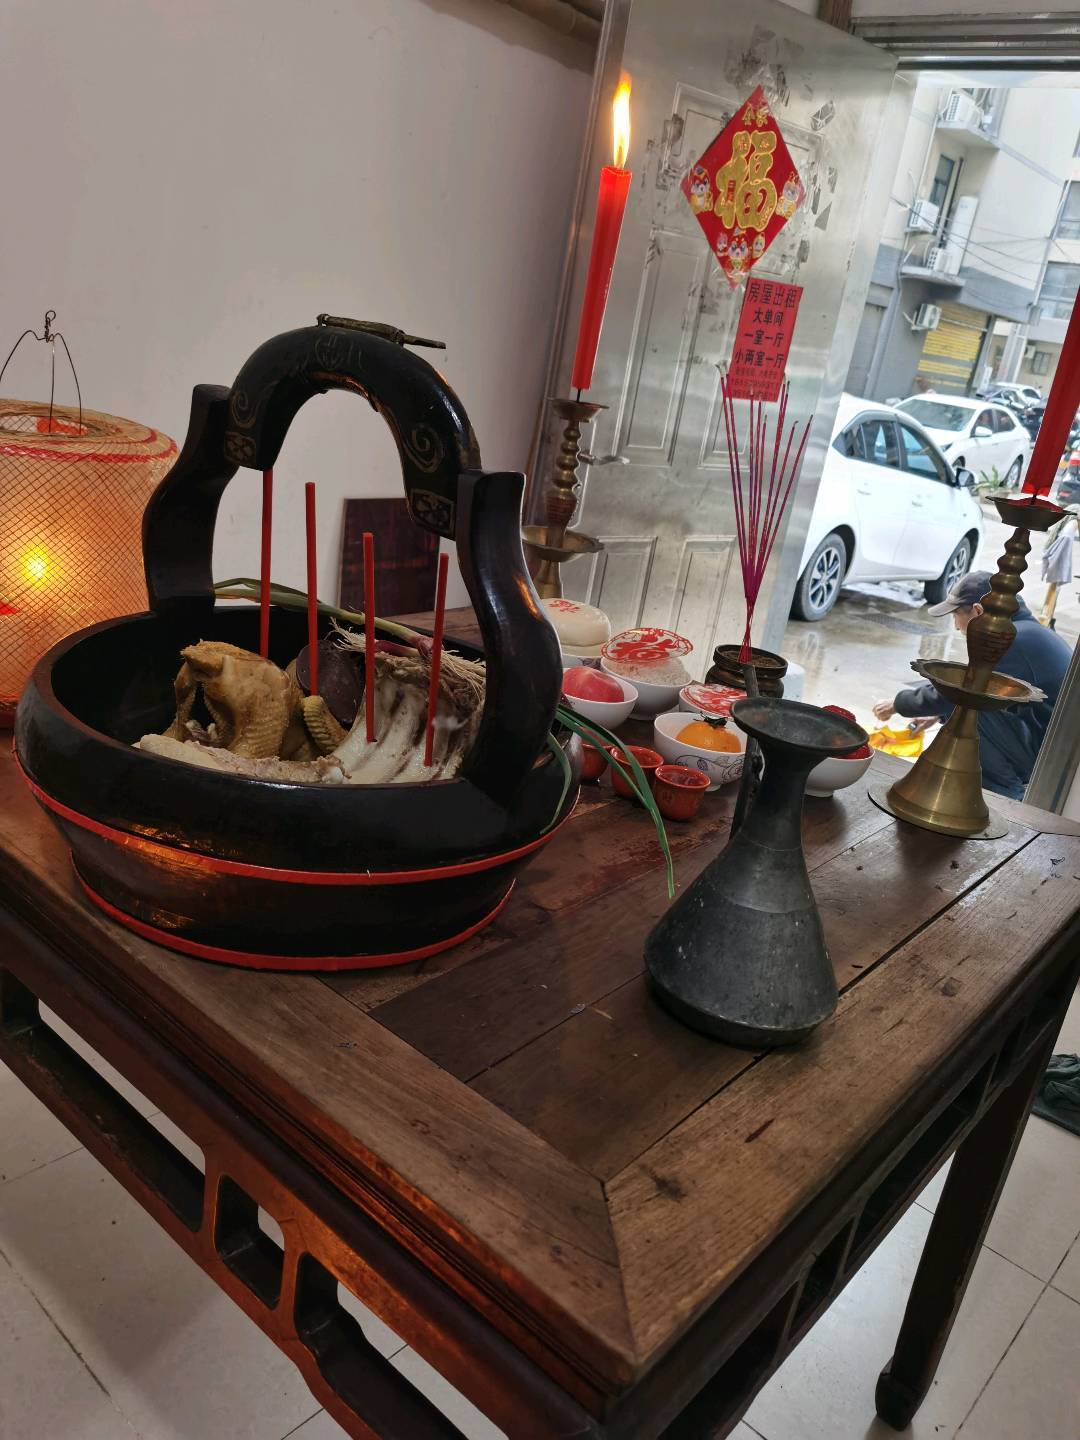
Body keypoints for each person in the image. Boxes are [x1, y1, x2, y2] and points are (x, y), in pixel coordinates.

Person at [872, 570, 1072, 800]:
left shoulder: (1012, 640)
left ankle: (1006, 799)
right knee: (962, 707)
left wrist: (898, 704)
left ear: (977, 611)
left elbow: (962, 690)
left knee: (968, 707)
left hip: (1048, 759)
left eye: (956, 615)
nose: (957, 627)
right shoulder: (1028, 633)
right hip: (1048, 747)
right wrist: (937, 715)